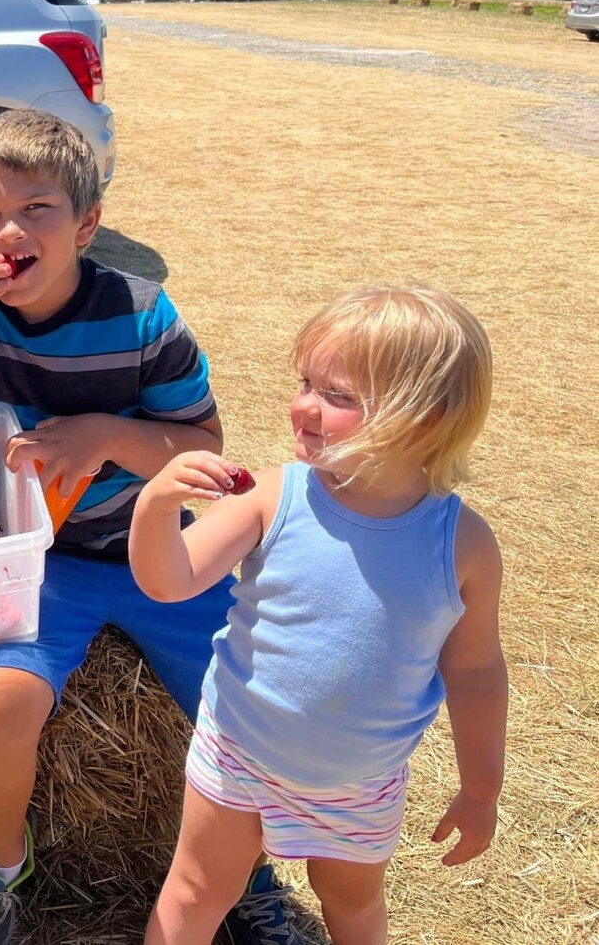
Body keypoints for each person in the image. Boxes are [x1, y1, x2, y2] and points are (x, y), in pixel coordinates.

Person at [0, 108, 304, 945]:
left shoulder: (141, 313)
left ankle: (248, 871)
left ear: (86, 224)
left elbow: (204, 445)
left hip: (154, 550)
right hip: (31, 559)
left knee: (244, 704)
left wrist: (104, 434)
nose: (10, 229)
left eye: (38, 209)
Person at [129, 285, 507, 945]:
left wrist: (481, 789)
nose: (302, 404)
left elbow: (476, 671)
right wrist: (155, 506)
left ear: (426, 417)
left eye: (336, 396)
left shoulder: (463, 544)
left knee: (353, 907)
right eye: (306, 381)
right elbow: (169, 580)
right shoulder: (275, 496)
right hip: (240, 751)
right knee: (195, 891)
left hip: (358, 780)